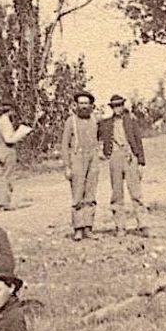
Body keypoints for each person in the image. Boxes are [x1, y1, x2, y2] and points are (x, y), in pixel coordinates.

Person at [100, 94, 149, 235]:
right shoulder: (106, 124)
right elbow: (94, 134)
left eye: (120, 105)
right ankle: (120, 226)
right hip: (115, 157)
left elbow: (138, 141)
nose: (117, 108)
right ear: (111, 108)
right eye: (115, 106)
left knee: (136, 193)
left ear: (123, 106)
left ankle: (143, 224)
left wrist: (141, 162)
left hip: (130, 157)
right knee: (117, 193)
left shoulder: (131, 121)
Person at [61, 91, 100, 241]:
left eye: (86, 103)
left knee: (90, 193)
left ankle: (89, 227)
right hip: (77, 158)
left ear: (91, 106)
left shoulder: (95, 120)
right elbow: (64, 145)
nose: (84, 106)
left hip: (93, 158)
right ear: (76, 105)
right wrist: (67, 166)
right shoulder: (71, 121)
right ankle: (78, 228)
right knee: (77, 194)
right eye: (81, 103)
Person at [0, 104, 32, 209]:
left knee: (2, 175)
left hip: (0, 150)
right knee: (7, 176)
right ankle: (5, 202)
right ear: (10, 111)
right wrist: (21, 133)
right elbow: (9, 139)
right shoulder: (5, 122)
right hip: (7, 150)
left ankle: (2, 201)